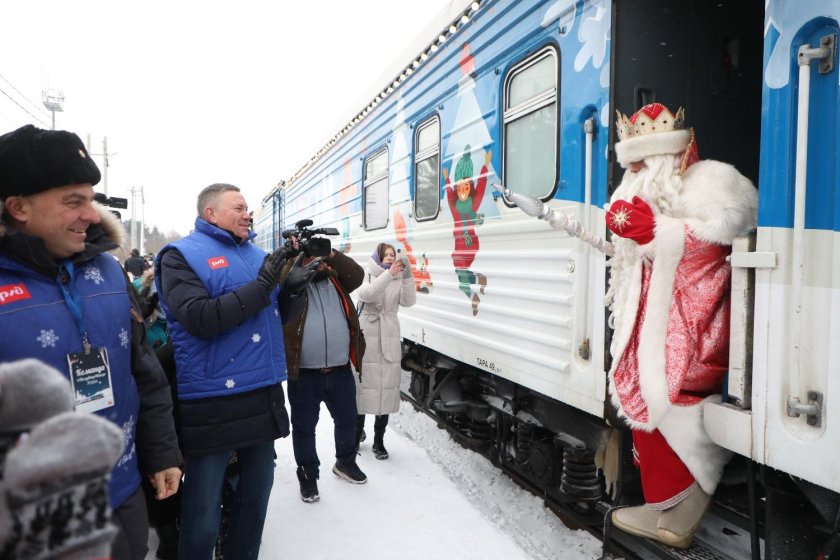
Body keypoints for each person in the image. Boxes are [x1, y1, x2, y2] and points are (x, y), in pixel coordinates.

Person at [0, 124, 183, 559]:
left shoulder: (108, 271)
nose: (91, 214)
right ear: (18, 207)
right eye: (73, 201)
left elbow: (143, 370)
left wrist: (161, 453)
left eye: (91, 199)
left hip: (122, 496)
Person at [604, 103, 757, 549]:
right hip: (652, 318)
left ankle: (688, 497)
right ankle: (665, 505)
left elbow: (724, 235)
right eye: (629, 163)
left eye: (640, 162)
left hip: (692, 323)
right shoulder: (647, 192)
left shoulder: (712, 182)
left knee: (667, 392)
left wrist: (658, 232)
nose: (633, 171)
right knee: (634, 384)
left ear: (668, 155)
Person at [155, 183, 295, 559]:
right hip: (211, 398)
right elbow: (200, 318)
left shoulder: (256, 253)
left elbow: (271, 319)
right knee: (202, 511)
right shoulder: (179, 256)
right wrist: (265, 285)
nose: (247, 213)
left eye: (248, 207)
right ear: (210, 213)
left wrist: (293, 290)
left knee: (254, 502)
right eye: (238, 207)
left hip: (261, 391)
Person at [280, 241, 367, 502]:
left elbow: (358, 276)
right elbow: (281, 281)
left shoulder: (336, 279)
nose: (316, 263)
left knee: (348, 420)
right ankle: (308, 475)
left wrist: (330, 254)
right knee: (305, 427)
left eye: (319, 258)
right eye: (309, 258)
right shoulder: (292, 288)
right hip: (305, 373)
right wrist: (295, 259)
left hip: (340, 369)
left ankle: (345, 462)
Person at [354, 243, 416, 460]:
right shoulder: (368, 274)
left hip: (388, 334)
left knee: (385, 388)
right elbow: (368, 295)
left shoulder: (398, 277)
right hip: (368, 334)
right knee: (363, 388)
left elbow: (409, 301)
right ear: (378, 257)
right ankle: (355, 434)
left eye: (392, 255)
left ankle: (379, 441)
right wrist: (389, 274)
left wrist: (407, 276)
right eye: (386, 255)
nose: (390, 258)